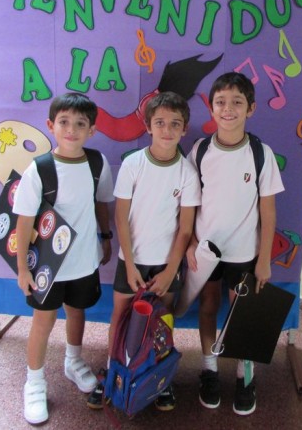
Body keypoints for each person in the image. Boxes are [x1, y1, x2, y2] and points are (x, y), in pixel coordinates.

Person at [86, 91, 201, 412]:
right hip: (131, 262)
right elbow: (120, 218)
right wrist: (130, 264)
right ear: (148, 126)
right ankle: (113, 372)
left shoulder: (187, 173)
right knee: (120, 317)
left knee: (162, 322)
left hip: (167, 265)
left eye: (175, 124)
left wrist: (170, 271)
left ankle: (160, 378)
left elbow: (186, 229)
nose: (167, 129)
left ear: (184, 128)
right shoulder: (133, 164)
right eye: (160, 122)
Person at [13, 93, 114, 425]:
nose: (72, 129)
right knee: (43, 322)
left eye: (81, 124)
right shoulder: (39, 169)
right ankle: (34, 382)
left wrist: (106, 237)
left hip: (84, 261)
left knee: (77, 311)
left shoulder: (97, 163)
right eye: (64, 122)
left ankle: (73, 360)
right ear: (51, 125)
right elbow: (24, 221)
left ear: (92, 130)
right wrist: (23, 268)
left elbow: (101, 203)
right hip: (48, 266)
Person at [186, 71, 284, 416]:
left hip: (244, 253)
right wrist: (191, 243)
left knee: (242, 315)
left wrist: (264, 259)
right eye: (221, 102)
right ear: (211, 108)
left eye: (237, 102)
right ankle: (209, 370)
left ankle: (245, 377)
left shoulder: (260, 154)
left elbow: (268, 212)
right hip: (206, 252)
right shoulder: (199, 151)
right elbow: (189, 205)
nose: (228, 109)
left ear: (250, 108)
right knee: (208, 306)